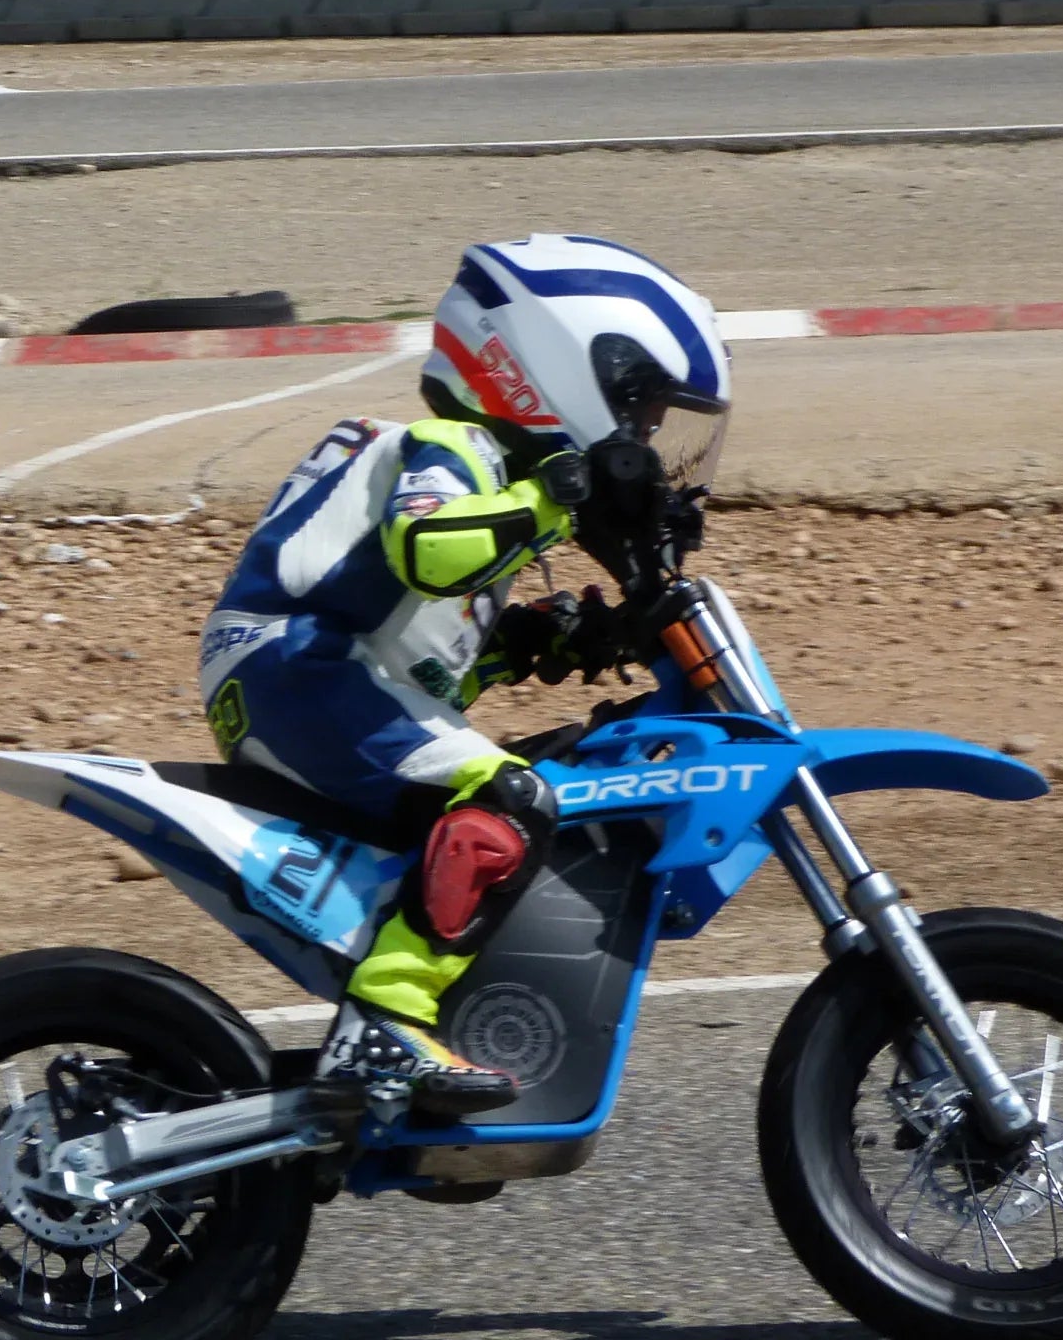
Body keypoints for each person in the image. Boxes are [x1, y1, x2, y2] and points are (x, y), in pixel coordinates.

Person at [199, 234, 732, 1113]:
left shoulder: (486, 485)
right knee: (511, 799)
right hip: (298, 667)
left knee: (549, 772)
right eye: (641, 415)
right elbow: (429, 546)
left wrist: (560, 638)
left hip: (321, 670)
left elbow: (432, 657)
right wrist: (554, 494)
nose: (646, 445)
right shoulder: (453, 450)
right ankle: (386, 1019)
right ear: (564, 371)